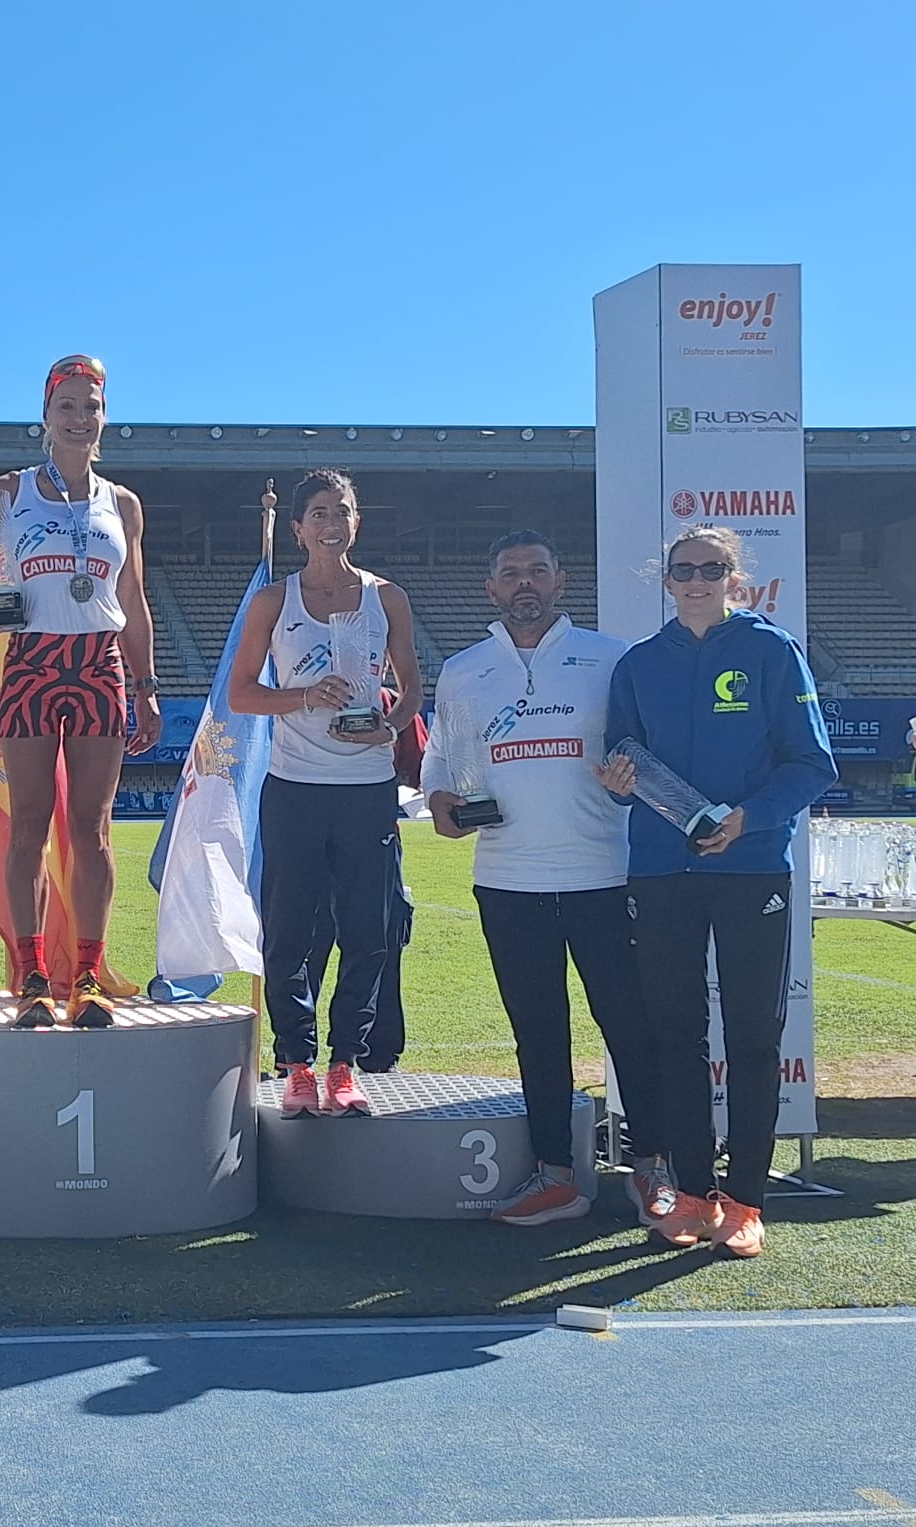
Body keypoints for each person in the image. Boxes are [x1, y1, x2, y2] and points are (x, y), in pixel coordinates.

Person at [601, 525, 835, 1258]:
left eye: (712, 568)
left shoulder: (772, 650)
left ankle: (748, 1201)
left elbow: (812, 763)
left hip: (752, 868)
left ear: (736, 578)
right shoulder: (639, 665)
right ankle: (694, 1194)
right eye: (683, 569)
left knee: (753, 1038)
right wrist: (616, 784)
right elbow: (622, 761)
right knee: (675, 1034)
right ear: (665, 579)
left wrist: (747, 818)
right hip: (663, 871)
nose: (697, 579)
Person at [421, 529, 666, 1226]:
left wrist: (630, 781)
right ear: (490, 588)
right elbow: (441, 760)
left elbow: (640, 756)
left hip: (603, 874)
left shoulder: (609, 658)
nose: (524, 583)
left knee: (629, 1024)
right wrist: (440, 799)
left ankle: (650, 1168)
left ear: (561, 582)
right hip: (506, 877)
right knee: (538, 1031)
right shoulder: (465, 670)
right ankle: (556, 1175)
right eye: (509, 573)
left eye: (537, 570)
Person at [0, 354, 161, 1028]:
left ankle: (89, 977)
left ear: (105, 418)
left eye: (91, 407)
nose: (80, 419)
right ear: (46, 416)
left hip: (99, 663)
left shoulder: (123, 504)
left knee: (94, 831)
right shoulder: (10, 491)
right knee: (28, 826)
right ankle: (33, 973)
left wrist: (148, 684)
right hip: (32, 660)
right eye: (67, 406)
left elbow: (132, 598)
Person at [227, 468, 422, 1118]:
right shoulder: (273, 603)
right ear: (298, 528)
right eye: (319, 513)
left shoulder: (386, 598)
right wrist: (305, 696)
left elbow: (414, 692)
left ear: (355, 522)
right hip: (295, 789)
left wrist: (387, 729)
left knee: (368, 933)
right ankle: (296, 1065)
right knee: (289, 934)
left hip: (367, 791)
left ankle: (345, 1066)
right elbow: (241, 694)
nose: (331, 524)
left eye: (341, 512)